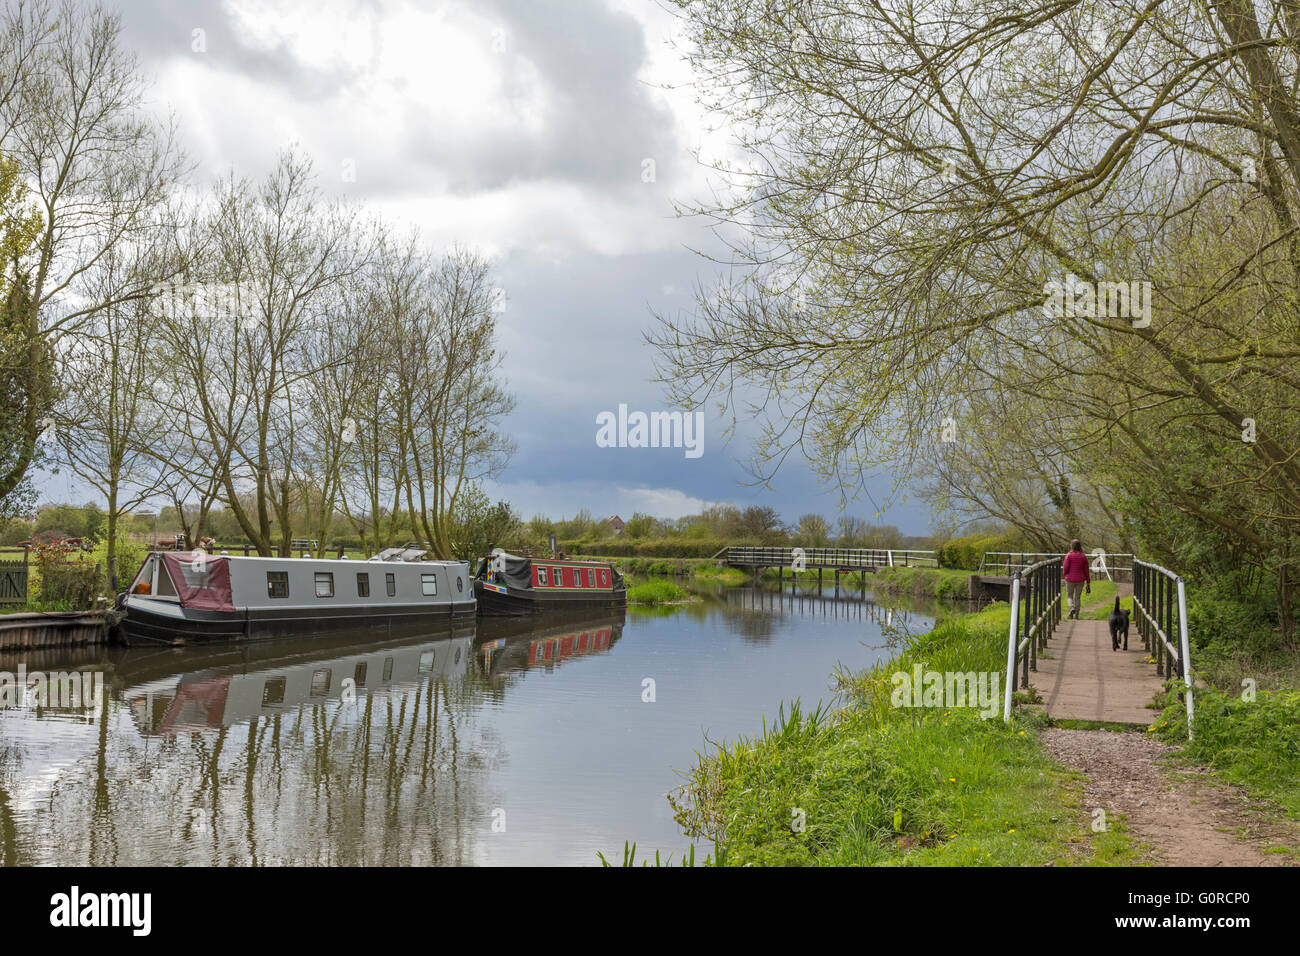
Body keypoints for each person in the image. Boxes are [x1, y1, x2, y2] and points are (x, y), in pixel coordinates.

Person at [1062, 539, 1091, 619]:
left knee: (1069, 596)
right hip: (1080, 580)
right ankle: (1077, 615)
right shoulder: (1083, 556)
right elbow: (1086, 570)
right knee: (1077, 597)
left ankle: (1071, 608)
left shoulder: (1069, 555)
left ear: (1072, 546)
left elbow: (1065, 568)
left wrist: (1065, 575)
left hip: (1070, 579)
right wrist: (1088, 581)